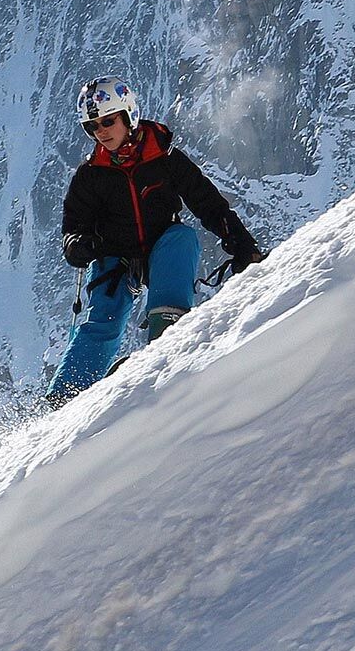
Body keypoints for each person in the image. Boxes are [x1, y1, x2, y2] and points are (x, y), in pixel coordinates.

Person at [44, 76, 263, 405]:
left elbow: (208, 204)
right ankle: (65, 399)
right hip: (113, 252)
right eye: (93, 126)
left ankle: (166, 336)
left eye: (108, 121)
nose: (102, 131)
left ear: (128, 115)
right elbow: (72, 229)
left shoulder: (165, 158)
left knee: (183, 238)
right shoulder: (90, 175)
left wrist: (243, 246)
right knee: (105, 314)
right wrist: (79, 246)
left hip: (162, 244)